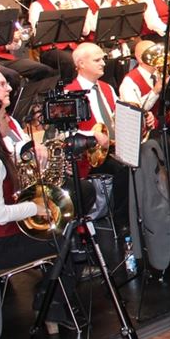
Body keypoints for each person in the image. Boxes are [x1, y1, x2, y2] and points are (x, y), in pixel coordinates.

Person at [0, 97, 77, 334]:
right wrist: (35, 207)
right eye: (3, 117)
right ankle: (48, 307)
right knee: (63, 243)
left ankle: (49, 305)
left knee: (55, 239)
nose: (7, 121)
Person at [64, 43, 129, 218]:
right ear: (81, 64)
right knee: (123, 170)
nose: (103, 63)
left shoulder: (107, 87)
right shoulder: (69, 93)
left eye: (103, 59)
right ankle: (120, 220)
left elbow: (118, 115)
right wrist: (92, 135)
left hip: (115, 147)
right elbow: (66, 133)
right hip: (91, 156)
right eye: (97, 60)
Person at [28, 0, 85, 81]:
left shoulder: (72, 3)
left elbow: (85, 31)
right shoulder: (37, 6)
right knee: (70, 61)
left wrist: (74, 14)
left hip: (72, 46)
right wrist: (59, 14)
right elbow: (39, 34)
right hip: (51, 50)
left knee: (94, 56)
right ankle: (70, 88)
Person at [118, 40, 163, 130]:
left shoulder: (160, 73)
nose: (159, 57)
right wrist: (155, 91)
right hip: (147, 130)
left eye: (159, 53)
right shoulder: (129, 82)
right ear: (140, 59)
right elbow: (135, 113)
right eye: (153, 54)